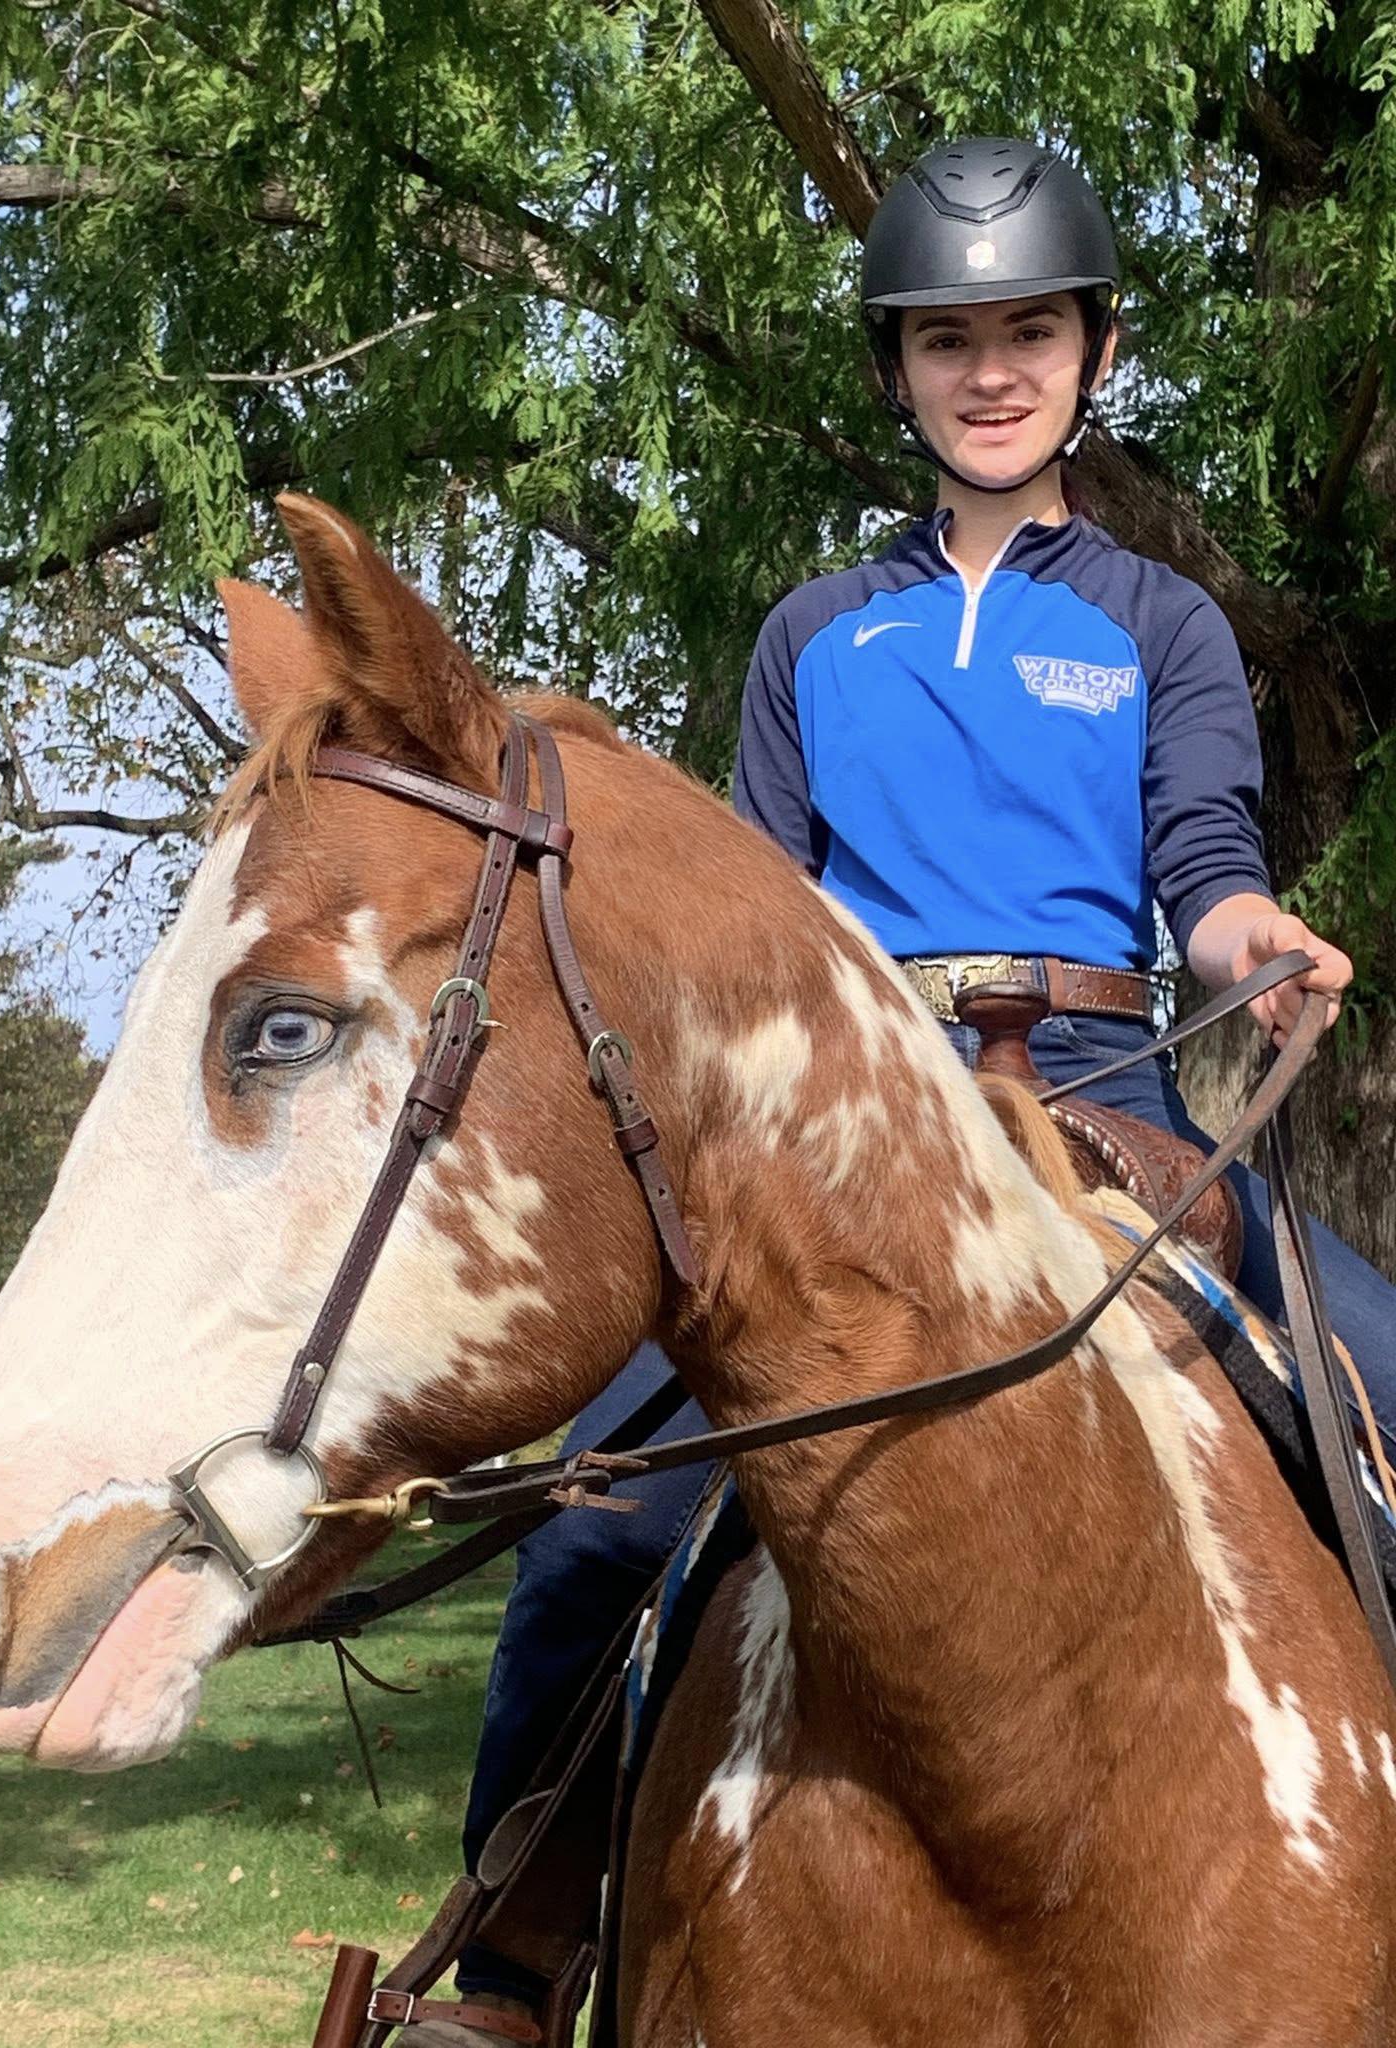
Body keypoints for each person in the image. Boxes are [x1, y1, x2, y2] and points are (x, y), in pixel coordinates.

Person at [406, 138, 1396, 2045]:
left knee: (1389, 1405)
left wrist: (1259, 939)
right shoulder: (808, 635)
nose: (995, 369)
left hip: (1114, 1089)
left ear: (1093, 354)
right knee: (605, 1509)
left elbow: (1206, 860)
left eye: (1031, 329)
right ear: (899, 371)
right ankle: (513, 1978)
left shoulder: (1162, 625)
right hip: (849, 1128)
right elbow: (756, 915)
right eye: (952, 338)